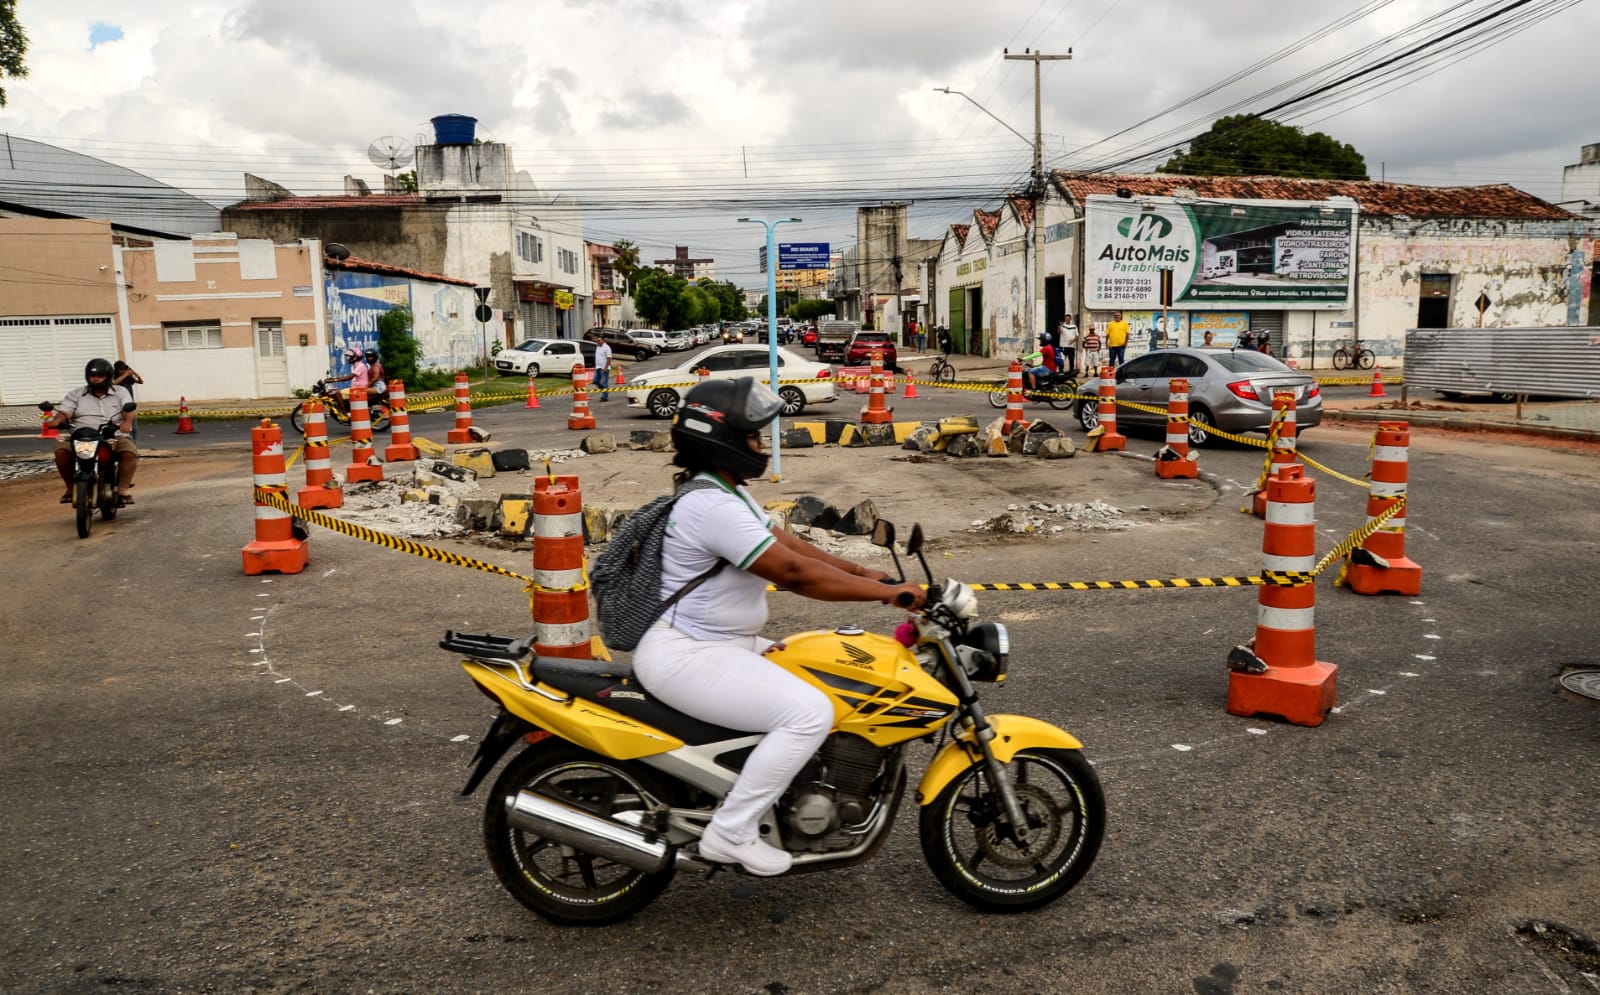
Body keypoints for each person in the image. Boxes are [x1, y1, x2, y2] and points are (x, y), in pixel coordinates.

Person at [631, 377, 926, 876]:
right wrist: (887, 594)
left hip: (722, 644)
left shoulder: (724, 492)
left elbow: (787, 545)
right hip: (689, 654)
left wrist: (863, 572)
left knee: (821, 673)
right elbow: (793, 574)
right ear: (721, 439)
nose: (760, 444)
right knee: (809, 713)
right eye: (752, 435)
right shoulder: (713, 506)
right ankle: (731, 831)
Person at [49, 358, 138, 505]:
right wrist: (56, 421)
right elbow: (65, 411)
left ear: (108, 377)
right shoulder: (76, 394)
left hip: (113, 435)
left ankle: (123, 491)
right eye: (92, 376)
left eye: (100, 376)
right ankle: (70, 489)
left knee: (129, 453)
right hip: (81, 436)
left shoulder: (120, 392)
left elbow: (129, 409)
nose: (95, 379)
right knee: (61, 452)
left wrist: (127, 422)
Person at [111, 360, 144, 440]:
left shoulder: (128, 378)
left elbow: (140, 381)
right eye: (122, 369)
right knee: (121, 427)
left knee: (134, 427)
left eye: (125, 369)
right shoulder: (115, 377)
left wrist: (135, 374)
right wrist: (126, 374)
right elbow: (114, 382)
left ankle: (134, 445)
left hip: (130, 405)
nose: (124, 371)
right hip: (118, 406)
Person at [592, 337, 613, 401]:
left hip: (604, 368)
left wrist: (606, 368)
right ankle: (604, 391)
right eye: (597, 340)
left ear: (603, 340)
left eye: (599, 340)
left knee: (604, 383)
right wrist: (595, 367)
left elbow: (609, 358)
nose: (598, 341)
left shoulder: (607, 348)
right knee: (595, 380)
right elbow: (597, 357)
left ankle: (605, 397)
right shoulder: (597, 347)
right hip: (598, 367)